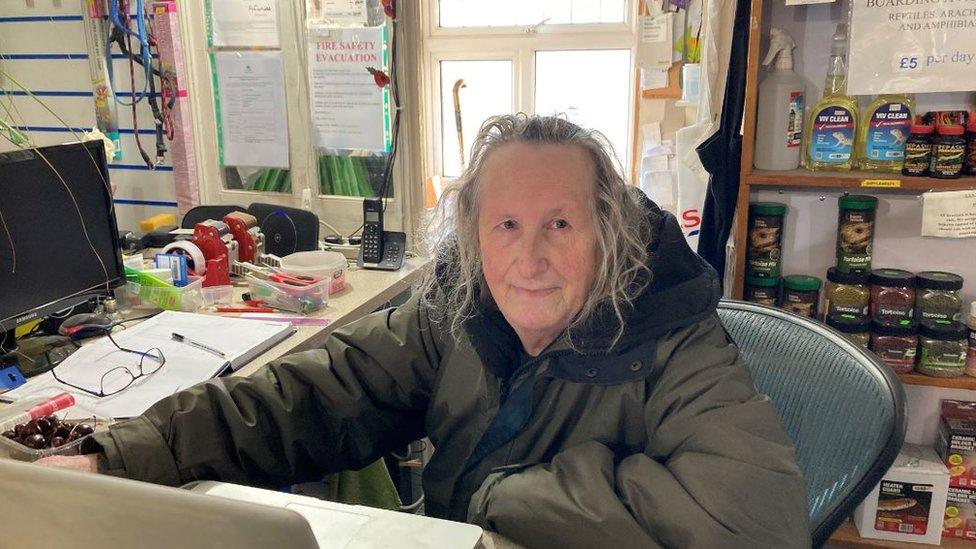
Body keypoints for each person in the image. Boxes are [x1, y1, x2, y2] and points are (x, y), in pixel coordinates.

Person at [40, 114, 810, 547]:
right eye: (505, 223)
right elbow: (317, 391)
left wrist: (507, 496)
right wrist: (117, 457)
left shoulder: (674, 336)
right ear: (474, 233)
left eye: (560, 223)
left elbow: (757, 523)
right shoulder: (458, 306)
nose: (531, 257)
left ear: (605, 232)